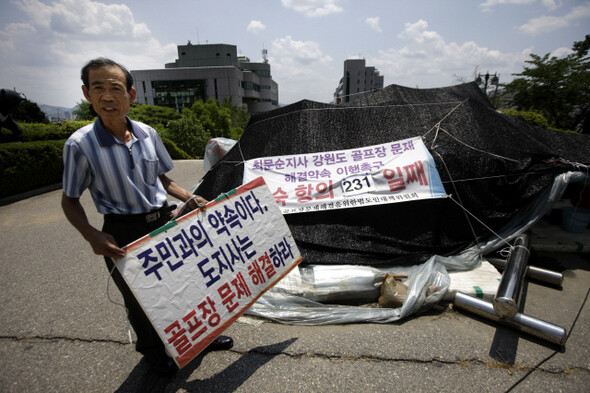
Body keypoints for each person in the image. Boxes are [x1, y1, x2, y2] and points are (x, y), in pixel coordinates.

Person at [61, 58, 233, 377]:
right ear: (86, 93)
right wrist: (92, 235)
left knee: (186, 284)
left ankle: (201, 336)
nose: (108, 97)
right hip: (122, 231)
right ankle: (153, 354)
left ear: (132, 95)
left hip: (165, 222)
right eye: (98, 88)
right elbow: (69, 200)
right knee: (140, 300)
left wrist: (189, 197)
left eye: (116, 88)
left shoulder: (148, 133)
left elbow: (163, 180)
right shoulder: (80, 145)